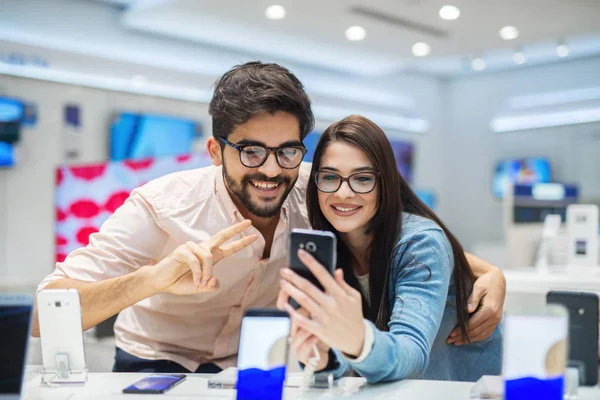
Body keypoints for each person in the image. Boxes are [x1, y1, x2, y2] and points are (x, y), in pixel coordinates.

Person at [32, 62, 505, 373]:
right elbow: (43, 313)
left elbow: (399, 231)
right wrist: (152, 279)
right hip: (155, 362)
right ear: (216, 150)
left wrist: (490, 273)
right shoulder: (161, 207)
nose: (271, 169)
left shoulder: (313, 190)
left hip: (256, 366)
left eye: (287, 151)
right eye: (252, 151)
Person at [277, 115, 502, 383]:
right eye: (330, 177)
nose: (343, 193)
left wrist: (357, 339)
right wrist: (323, 356)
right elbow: (343, 361)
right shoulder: (328, 246)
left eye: (362, 179)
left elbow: (411, 353)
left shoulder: (421, 243)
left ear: (385, 184)